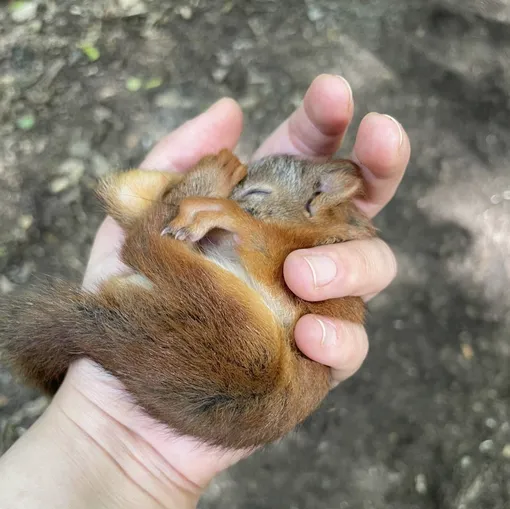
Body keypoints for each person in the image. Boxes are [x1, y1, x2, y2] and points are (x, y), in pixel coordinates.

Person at [0, 74, 410, 508]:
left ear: (317, 200)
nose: (235, 204)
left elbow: (211, 243)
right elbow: (122, 193)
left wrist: (218, 210)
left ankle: (158, 251)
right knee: (138, 213)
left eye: (251, 193)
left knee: (190, 251)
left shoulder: (315, 240)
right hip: (188, 342)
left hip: (241, 374)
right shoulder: (229, 243)